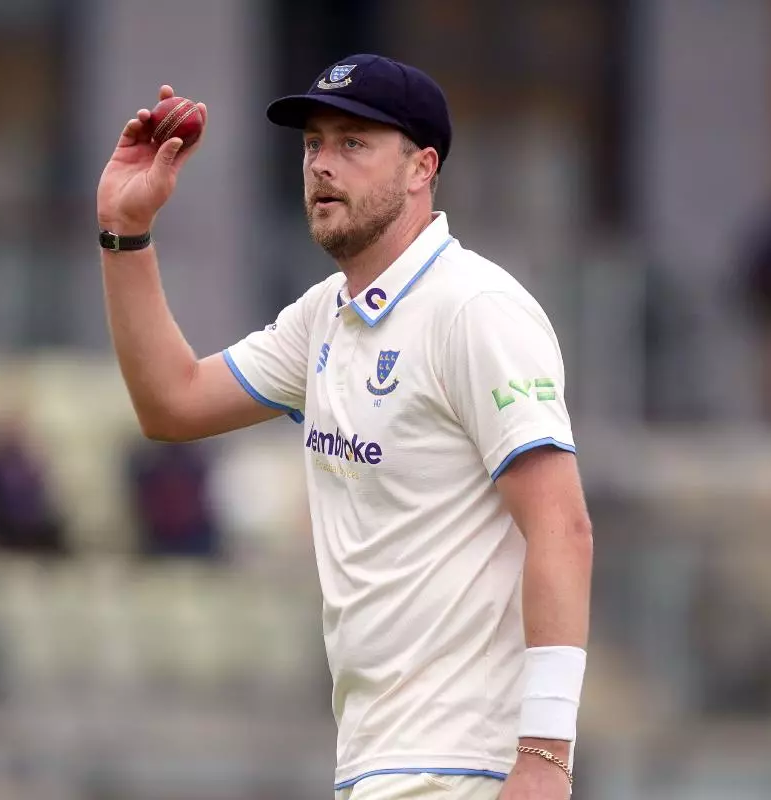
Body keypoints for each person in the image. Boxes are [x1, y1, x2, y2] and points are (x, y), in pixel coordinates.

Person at [96, 55, 593, 800]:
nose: (324, 165)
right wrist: (124, 229)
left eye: (354, 143)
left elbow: (564, 528)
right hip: (378, 759)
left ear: (423, 167)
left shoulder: (474, 308)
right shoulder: (327, 314)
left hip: (465, 764)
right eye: (313, 145)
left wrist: (546, 758)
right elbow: (172, 402)